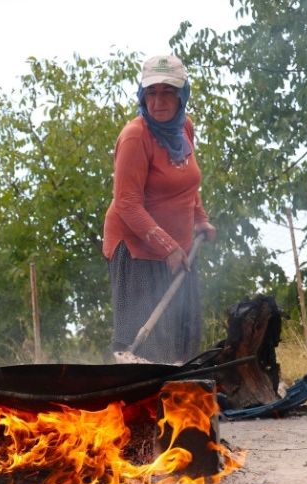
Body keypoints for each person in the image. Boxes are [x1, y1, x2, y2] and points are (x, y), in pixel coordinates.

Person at [102, 54, 216, 365]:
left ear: (182, 95)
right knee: (143, 346)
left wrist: (200, 220)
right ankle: (141, 403)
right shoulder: (135, 137)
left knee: (182, 333)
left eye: (167, 92)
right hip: (137, 248)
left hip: (177, 248)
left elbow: (187, 182)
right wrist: (167, 247)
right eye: (151, 93)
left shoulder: (184, 130)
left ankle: (179, 403)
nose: (158, 101)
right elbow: (126, 203)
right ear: (142, 96)